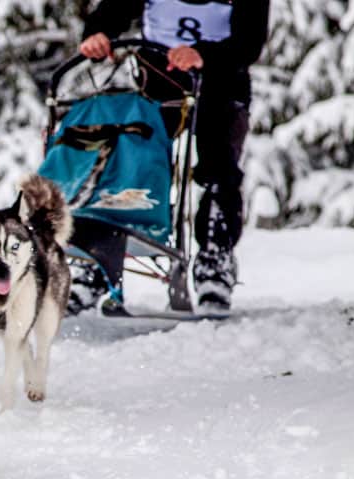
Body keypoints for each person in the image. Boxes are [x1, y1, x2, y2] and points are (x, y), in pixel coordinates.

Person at [76, 0, 270, 311]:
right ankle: (99, 263)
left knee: (219, 168)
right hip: (158, 83)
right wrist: (97, 35)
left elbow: (249, 43)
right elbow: (110, 14)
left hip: (222, 85)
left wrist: (203, 54)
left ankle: (214, 259)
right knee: (131, 160)